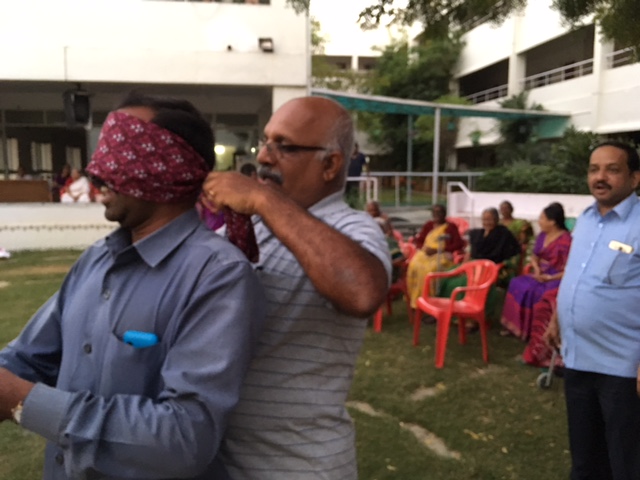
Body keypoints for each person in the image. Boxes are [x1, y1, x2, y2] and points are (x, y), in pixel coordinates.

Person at [0, 92, 266, 480]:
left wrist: (22, 402)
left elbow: (184, 439)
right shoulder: (95, 260)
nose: (96, 170)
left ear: (166, 168)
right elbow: (28, 358)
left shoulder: (218, 276)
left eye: (117, 153)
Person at [202, 96, 391, 479]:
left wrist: (262, 197)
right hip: (221, 460)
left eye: (284, 147)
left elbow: (362, 292)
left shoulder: (354, 228)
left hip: (297, 465)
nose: (265, 158)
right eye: (265, 143)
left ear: (331, 164)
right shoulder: (247, 225)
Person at [545, 141, 640, 479]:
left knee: (626, 462)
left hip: (624, 370)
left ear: (634, 177)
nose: (600, 177)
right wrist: (557, 319)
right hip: (578, 358)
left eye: (612, 169)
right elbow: (575, 274)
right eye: (593, 169)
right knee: (585, 459)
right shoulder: (584, 220)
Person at [500, 202, 571, 340]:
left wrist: (551, 278)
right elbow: (534, 256)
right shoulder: (542, 236)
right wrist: (537, 270)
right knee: (517, 283)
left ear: (553, 222)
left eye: (542, 219)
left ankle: (535, 331)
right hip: (540, 274)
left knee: (538, 292)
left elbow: (570, 269)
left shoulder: (567, 241)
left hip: (557, 278)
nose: (539, 222)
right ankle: (515, 326)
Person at [438, 208, 520, 324]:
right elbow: (469, 252)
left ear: (496, 220)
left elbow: (512, 253)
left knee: (463, 282)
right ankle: (447, 311)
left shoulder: (503, 234)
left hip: (489, 267)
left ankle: (470, 316)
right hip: (473, 265)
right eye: (484, 219)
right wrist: (464, 265)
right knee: (447, 275)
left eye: (490, 219)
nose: (487, 222)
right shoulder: (478, 234)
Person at [406, 204, 465, 308]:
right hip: (426, 253)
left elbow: (459, 244)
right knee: (414, 266)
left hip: (442, 254)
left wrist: (439, 250)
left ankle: (430, 299)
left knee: (429, 270)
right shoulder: (429, 225)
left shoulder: (451, 227)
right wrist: (424, 248)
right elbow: (419, 240)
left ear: (444, 214)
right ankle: (416, 298)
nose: (437, 215)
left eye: (439, 212)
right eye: (434, 213)